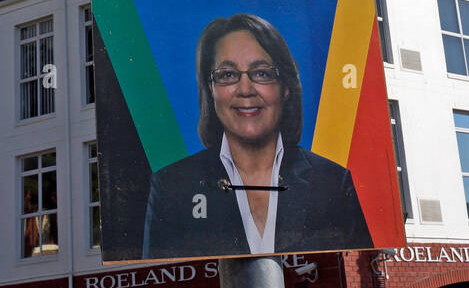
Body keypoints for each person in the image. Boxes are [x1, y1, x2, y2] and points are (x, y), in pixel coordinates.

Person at [142, 14, 372, 258]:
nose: (245, 89)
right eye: (227, 75)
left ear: (285, 87)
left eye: (261, 73)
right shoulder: (171, 188)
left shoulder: (332, 182)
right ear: (211, 90)